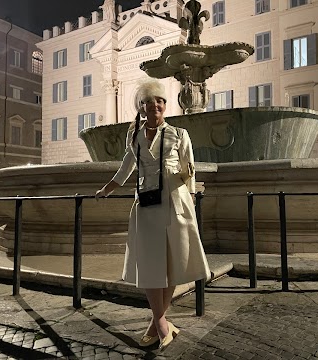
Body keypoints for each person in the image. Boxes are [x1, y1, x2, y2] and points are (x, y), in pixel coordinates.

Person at [96, 79, 211, 350]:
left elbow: (189, 170)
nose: (155, 105)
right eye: (150, 101)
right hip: (146, 204)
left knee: (171, 264)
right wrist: (106, 189)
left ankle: (157, 323)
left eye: (160, 101)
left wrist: (190, 198)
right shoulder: (134, 135)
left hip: (175, 202)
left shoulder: (179, 134)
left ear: (164, 106)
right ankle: (162, 323)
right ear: (142, 107)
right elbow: (126, 168)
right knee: (149, 264)